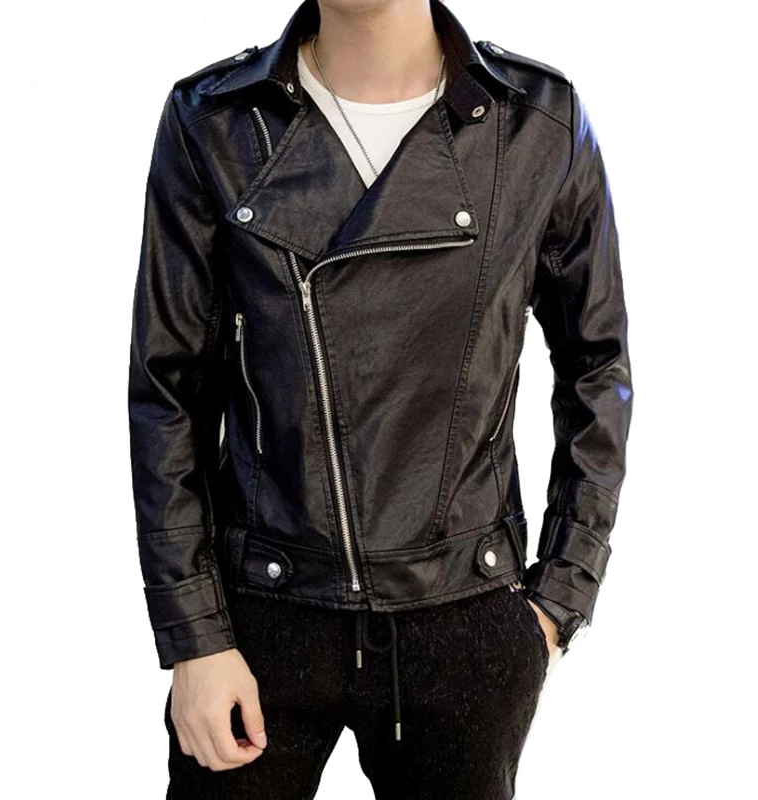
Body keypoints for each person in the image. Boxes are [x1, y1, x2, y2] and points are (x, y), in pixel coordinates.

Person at [127, 0, 634, 797]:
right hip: (261, 616)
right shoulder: (214, 120)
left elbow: (597, 368)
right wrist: (194, 637)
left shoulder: (536, 121)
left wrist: (559, 598)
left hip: (462, 616)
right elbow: (169, 390)